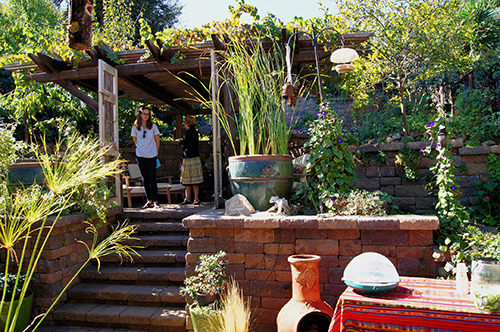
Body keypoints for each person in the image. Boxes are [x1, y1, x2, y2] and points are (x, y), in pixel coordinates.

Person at [131, 106, 161, 209]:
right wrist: (141, 149)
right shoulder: (135, 127)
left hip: (152, 155)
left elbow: (157, 140)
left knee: (152, 177)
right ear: (140, 114)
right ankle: (149, 200)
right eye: (144, 114)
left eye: (147, 114)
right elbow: (135, 142)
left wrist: (155, 151)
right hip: (141, 155)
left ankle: (156, 200)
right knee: (145, 178)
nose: (146, 116)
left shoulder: (153, 126)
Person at [180, 115, 203, 205]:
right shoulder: (191, 132)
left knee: (193, 180)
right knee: (189, 180)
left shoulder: (191, 132)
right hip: (190, 157)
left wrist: (182, 143)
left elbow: (188, 144)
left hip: (191, 157)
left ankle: (194, 198)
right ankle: (188, 198)